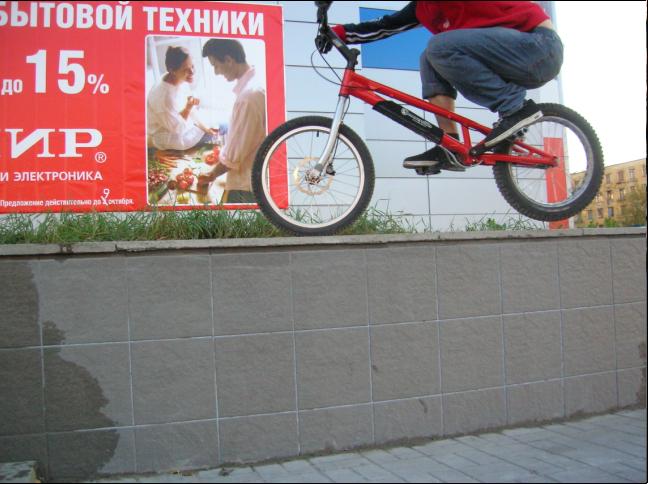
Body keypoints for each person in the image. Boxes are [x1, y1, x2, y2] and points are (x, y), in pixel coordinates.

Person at [327, 1, 564, 172]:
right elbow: (386, 25)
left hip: (538, 46)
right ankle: (451, 144)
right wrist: (336, 33)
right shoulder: (423, 7)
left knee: (439, 46)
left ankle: (515, 108)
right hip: (509, 57)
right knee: (429, 58)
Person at [198, 39, 266, 204]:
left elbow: (233, 157)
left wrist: (211, 174)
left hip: (247, 185)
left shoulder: (248, 97)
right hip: (254, 177)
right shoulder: (254, 85)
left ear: (229, 60)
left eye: (215, 65)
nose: (216, 72)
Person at [147, 46, 217, 152]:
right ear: (172, 70)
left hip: (181, 124)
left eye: (192, 66)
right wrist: (188, 108)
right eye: (186, 69)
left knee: (216, 125)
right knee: (221, 130)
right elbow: (177, 128)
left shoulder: (178, 79)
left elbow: (192, 112)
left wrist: (205, 127)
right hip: (170, 135)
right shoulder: (164, 97)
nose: (192, 72)